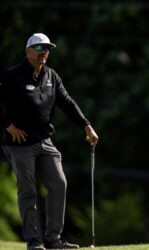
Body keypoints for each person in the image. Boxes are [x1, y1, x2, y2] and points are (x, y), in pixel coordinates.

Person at [0, 33, 99, 250]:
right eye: (38, 47)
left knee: (58, 183)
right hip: (19, 144)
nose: (44, 51)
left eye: (47, 48)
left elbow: (67, 102)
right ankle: (34, 242)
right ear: (27, 51)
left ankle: (53, 239)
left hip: (44, 140)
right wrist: (8, 126)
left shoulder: (52, 76)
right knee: (28, 189)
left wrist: (86, 125)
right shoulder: (11, 76)